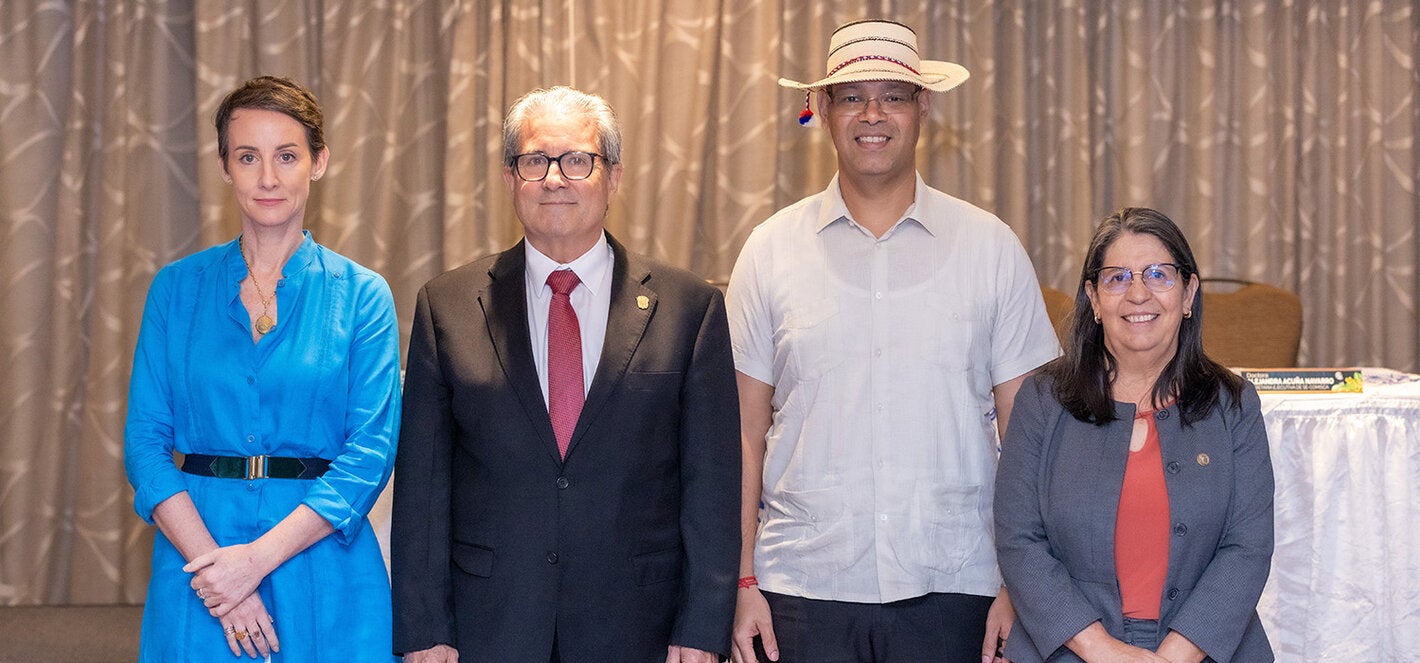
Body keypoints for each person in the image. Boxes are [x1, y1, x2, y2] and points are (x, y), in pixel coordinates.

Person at [726, 19, 1060, 663]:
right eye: (852, 96)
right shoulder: (769, 252)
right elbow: (742, 432)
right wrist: (740, 582)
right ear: (823, 109)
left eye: (894, 96)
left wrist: (1022, 585)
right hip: (799, 588)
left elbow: (1029, 434)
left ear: (923, 108)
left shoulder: (991, 248)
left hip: (960, 585)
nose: (872, 114)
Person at [390, 86, 740, 663]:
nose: (555, 179)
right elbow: (424, 488)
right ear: (510, 179)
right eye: (535, 161)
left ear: (614, 177)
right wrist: (424, 630)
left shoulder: (689, 309)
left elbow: (712, 486)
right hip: (490, 625)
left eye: (578, 160)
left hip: (641, 626)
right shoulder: (447, 305)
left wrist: (702, 628)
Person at [124, 76, 402, 661]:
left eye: (287, 156)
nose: (268, 178)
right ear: (224, 167)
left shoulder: (363, 296)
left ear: (319, 162)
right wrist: (219, 574)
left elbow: (370, 455)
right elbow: (145, 447)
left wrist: (253, 562)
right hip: (199, 565)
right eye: (248, 157)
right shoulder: (175, 290)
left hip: (323, 563)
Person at [993, 207, 1275, 662]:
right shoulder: (1042, 401)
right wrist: (1103, 651)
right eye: (1117, 278)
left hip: (1205, 652)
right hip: (1069, 650)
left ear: (1188, 293)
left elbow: (1248, 548)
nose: (1138, 293)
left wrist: (1172, 658)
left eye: (1159, 275)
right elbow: (1018, 541)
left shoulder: (1234, 404)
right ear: (1094, 299)